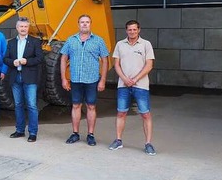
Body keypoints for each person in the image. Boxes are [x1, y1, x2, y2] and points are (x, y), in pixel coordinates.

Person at [108, 20, 156, 155]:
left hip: (141, 86)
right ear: (126, 30)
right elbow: (116, 64)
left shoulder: (146, 44)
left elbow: (149, 65)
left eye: (135, 29)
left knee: (145, 114)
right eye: (130, 30)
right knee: (121, 112)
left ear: (139, 30)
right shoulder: (120, 45)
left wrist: (135, 79)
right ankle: (118, 140)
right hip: (123, 85)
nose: (132, 32)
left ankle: (148, 143)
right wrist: (124, 79)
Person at [60, 14, 109, 146]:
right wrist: (64, 78)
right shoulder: (71, 40)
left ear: (91, 24)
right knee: (76, 105)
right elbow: (64, 58)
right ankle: (75, 133)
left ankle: (90, 134)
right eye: (82, 22)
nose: (85, 24)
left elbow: (105, 60)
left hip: (92, 79)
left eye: (87, 22)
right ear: (78, 24)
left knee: (91, 106)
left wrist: (103, 80)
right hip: (75, 79)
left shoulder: (98, 41)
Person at [3, 18, 44, 142]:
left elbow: (40, 58)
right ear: (17, 28)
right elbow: (5, 59)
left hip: (29, 77)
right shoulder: (11, 43)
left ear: (28, 28)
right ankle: (20, 130)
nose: (23, 28)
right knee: (18, 105)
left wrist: (27, 61)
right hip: (15, 77)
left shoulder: (35, 42)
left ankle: (32, 132)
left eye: (25, 26)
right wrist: (12, 62)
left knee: (31, 105)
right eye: (21, 26)